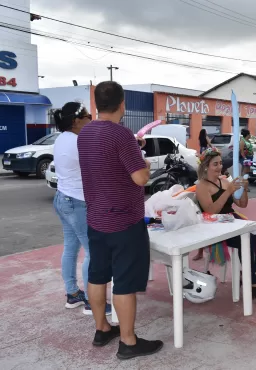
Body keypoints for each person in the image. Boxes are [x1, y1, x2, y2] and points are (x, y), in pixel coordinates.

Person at [78, 81, 163, 360]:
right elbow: (139, 177)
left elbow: (103, 164)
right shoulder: (122, 135)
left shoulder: (85, 132)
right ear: (122, 104)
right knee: (124, 282)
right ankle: (128, 341)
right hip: (124, 221)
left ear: (97, 104)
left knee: (98, 275)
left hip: (96, 218)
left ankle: (102, 328)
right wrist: (145, 163)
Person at [195, 147, 256, 304]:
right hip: (215, 227)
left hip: (232, 221)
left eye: (220, 163)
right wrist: (228, 191)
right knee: (249, 241)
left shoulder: (224, 181)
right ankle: (253, 284)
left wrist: (244, 189)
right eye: (215, 164)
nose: (219, 167)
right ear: (205, 167)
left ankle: (246, 273)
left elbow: (242, 204)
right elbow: (211, 211)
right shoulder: (201, 186)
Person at [53, 102, 105, 315]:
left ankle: (73, 294)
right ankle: (92, 303)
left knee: (71, 248)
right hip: (77, 203)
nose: (91, 118)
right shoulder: (79, 142)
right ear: (75, 121)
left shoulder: (61, 139)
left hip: (62, 198)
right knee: (93, 252)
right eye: (87, 116)